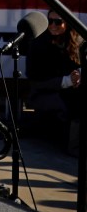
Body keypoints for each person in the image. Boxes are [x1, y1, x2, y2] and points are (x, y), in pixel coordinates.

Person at [26, 10, 82, 151]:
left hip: (74, 90)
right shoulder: (38, 43)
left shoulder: (77, 42)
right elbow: (35, 80)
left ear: (67, 24)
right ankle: (73, 147)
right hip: (44, 92)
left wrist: (78, 76)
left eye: (58, 22)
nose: (53, 25)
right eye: (49, 21)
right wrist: (66, 81)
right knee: (70, 106)